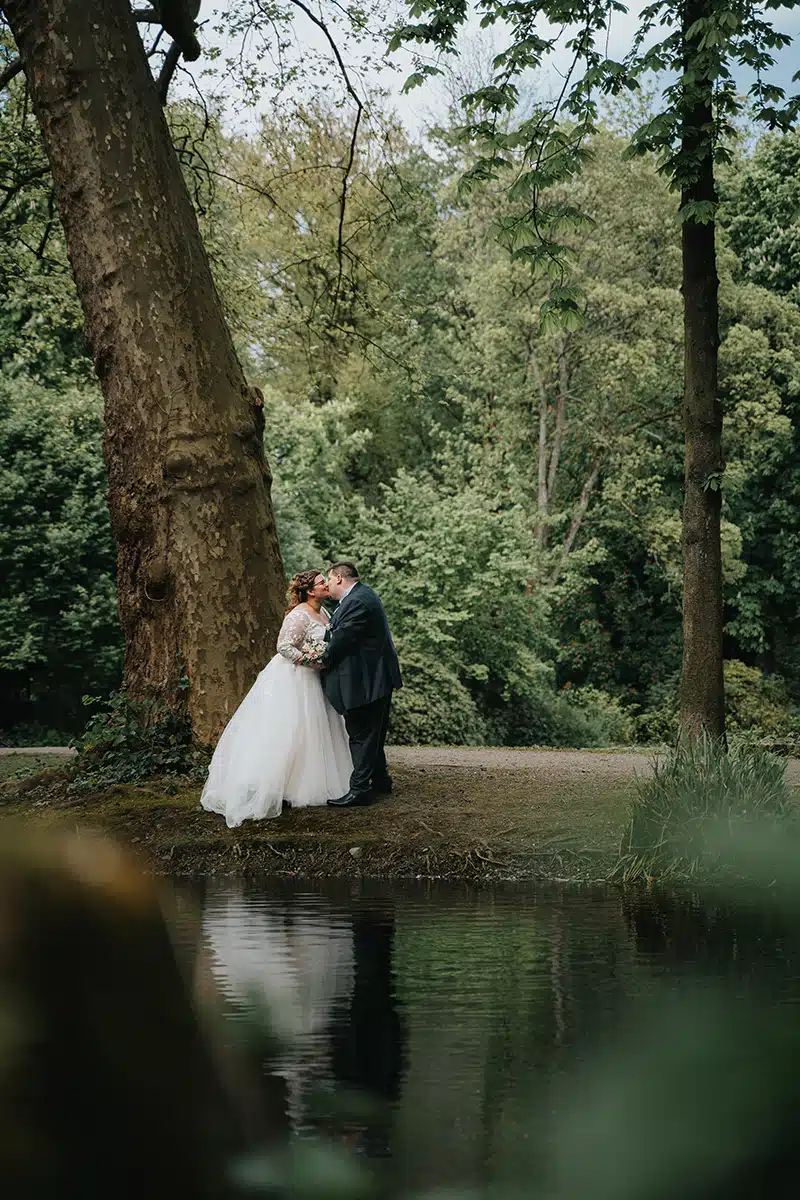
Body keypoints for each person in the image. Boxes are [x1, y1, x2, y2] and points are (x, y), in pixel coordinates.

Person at [201, 571, 352, 827]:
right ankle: (278, 785)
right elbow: (283, 647)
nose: (327, 584)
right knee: (289, 730)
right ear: (310, 591)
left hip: (316, 679)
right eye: (321, 582)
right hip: (294, 678)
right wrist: (312, 660)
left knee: (314, 732)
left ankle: (307, 783)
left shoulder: (325, 613)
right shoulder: (298, 614)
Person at [322, 562, 402, 809]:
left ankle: (359, 790)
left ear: (338, 578)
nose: (326, 585)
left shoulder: (357, 601)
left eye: (328, 579)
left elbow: (341, 640)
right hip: (375, 677)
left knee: (361, 734)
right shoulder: (359, 596)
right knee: (372, 733)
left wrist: (318, 658)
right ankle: (380, 780)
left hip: (369, 679)